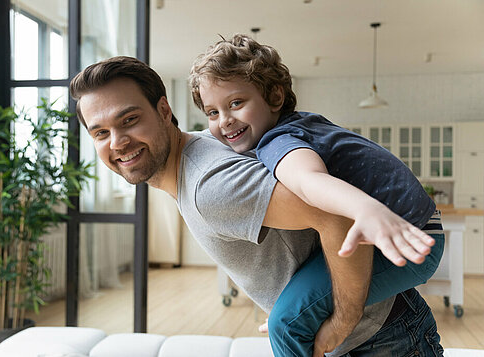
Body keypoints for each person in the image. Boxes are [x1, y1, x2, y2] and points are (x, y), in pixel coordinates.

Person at [69, 56, 443, 357]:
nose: (117, 142)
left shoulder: (209, 186)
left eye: (130, 120)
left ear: (164, 110)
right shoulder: (212, 147)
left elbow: (337, 214)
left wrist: (342, 320)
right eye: (100, 133)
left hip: (378, 342)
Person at [188, 34, 445, 355]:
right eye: (212, 113)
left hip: (406, 238)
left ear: (275, 97)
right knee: (292, 316)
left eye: (236, 103)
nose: (224, 121)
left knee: (285, 324)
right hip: (417, 227)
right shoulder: (303, 124)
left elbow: (309, 179)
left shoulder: (279, 141)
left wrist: (365, 208)